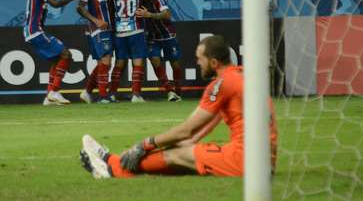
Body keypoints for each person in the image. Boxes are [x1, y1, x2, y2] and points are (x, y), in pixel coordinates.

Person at [79, 35, 278, 178]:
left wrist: (145, 144)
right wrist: (189, 141)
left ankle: (111, 167)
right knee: (186, 155)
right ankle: (108, 159)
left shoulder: (221, 84)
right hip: (263, 161)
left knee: (175, 155)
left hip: (245, 161)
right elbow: (204, 127)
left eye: (200, 59)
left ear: (214, 62)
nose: (197, 63)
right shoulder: (242, 76)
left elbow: (187, 129)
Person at [24, 0, 78, 105]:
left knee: (57, 59)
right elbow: (55, 3)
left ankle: (49, 97)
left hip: (31, 31)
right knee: (66, 54)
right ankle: (54, 91)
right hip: (35, 30)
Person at [109, 0, 157, 103]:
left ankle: (111, 93)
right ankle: (136, 95)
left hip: (120, 30)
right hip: (136, 28)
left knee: (119, 62)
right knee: (138, 62)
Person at [135, 0, 183, 102]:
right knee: (155, 61)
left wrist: (149, 15)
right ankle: (170, 92)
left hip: (167, 33)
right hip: (151, 36)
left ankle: (178, 90)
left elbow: (167, 14)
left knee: (175, 63)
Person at [76, 0, 116, 103]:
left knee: (104, 63)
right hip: (98, 28)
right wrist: (96, 21)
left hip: (111, 27)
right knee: (106, 60)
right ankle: (103, 96)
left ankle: (87, 92)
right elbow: (79, 7)